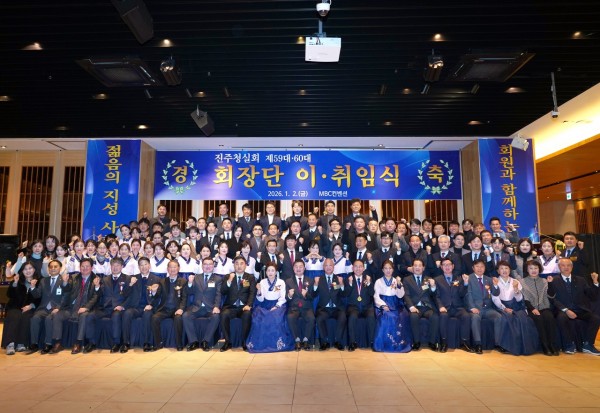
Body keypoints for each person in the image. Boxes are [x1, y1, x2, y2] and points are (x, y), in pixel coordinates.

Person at [548, 258, 600, 355]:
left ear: (572, 267)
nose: (566, 267)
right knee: (562, 318)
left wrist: (595, 282)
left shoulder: (581, 280)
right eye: (563, 265)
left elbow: (592, 296)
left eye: (568, 265)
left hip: (579, 309)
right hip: (562, 310)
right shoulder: (553, 280)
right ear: (559, 267)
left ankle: (588, 344)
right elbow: (552, 299)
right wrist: (566, 310)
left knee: (595, 318)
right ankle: (568, 345)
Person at [54, 258, 101, 354]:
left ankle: (78, 343)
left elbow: (96, 296)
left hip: (87, 308)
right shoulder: (74, 277)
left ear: (92, 268)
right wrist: (65, 283)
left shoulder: (96, 279)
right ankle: (58, 343)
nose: (85, 268)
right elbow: (67, 289)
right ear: (79, 267)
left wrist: (86, 307)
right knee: (57, 315)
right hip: (72, 307)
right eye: (82, 266)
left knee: (83, 316)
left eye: (87, 266)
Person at [491, 261, 538, 355]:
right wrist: (504, 308)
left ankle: (523, 346)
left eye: (506, 268)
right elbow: (495, 298)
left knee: (523, 318)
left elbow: (520, 299)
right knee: (507, 318)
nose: (504, 270)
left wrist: (516, 290)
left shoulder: (515, 281)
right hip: (500, 306)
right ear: (498, 271)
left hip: (515, 306)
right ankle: (505, 345)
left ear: (510, 270)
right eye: (501, 268)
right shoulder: (495, 281)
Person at [247, 262, 294, 353]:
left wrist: (276, 306)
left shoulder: (281, 282)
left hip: (278, 304)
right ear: (266, 272)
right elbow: (260, 299)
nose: (270, 272)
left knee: (276, 317)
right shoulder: (262, 282)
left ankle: (277, 344)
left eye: (272, 270)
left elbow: (283, 297)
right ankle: (261, 344)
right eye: (268, 270)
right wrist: (259, 291)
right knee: (259, 318)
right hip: (265, 304)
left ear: (276, 272)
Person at [28, 259, 70, 354]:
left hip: (57, 308)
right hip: (43, 308)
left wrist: (58, 308)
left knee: (49, 319)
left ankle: (48, 344)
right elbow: (37, 295)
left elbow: (66, 295)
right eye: (51, 267)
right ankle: (34, 343)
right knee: (35, 318)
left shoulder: (63, 280)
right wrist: (33, 287)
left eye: (55, 266)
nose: (53, 268)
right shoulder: (43, 280)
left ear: (60, 268)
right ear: (48, 269)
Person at [121, 257, 162, 353]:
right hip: (135, 307)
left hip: (148, 306)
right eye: (141, 265)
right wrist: (130, 284)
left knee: (147, 315)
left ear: (149, 266)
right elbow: (124, 294)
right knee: (127, 314)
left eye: (145, 264)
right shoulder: (133, 278)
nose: (143, 267)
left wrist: (151, 305)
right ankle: (126, 343)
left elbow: (159, 296)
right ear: (139, 267)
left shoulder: (156, 279)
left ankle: (147, 343)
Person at [433, 258, 473, 352]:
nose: (447, 267)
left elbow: (462, 294)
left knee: (466, 316)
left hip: (458, 307)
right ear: (441, 267)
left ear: (453, 266)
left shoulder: (459, 278)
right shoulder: (437, 279)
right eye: (444, 265)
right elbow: (436, 296)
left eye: (449, 264)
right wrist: (440, 306)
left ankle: (464, 342)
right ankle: (444, 342)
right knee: (443, 316)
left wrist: (465, 283)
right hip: (445, 307)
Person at [183, 257, 222, 351]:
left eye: (210, 264)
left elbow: (218, 294)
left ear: (213, 266)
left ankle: (206, 341)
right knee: (185, 316)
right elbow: (189, 292)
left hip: (210, 308)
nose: (207, 266)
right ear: (202, 266)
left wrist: (216, 306)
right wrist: (190, 283)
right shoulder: (196, 277)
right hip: (197, 307)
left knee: (216, 317)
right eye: (205, 264)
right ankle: (193, 341)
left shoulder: (218, 279)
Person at [521, 260, 559, 356]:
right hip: (530, 308)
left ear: (539, 269)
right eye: (531, 268)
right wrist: (532, 309)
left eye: (536, 268)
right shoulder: (522, 281)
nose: (533, 270)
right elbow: (525, 298)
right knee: (539, 319)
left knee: (549, 318)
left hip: (544, 307)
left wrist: (550, 283)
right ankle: (545, 345)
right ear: (527, 270)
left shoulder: (544, 281)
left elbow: (551, 296)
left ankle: (552, 345)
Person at [2, 261, 41, 354]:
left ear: (34, 270)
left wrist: (31, 306)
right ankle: (10, 344)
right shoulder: (17, 280)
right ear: (22, 271)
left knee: (26, 317)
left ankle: (21, 343)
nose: (28, 271)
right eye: (25, 269)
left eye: (30, 268)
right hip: (15, 306)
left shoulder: (39, 282)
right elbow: (9, 295)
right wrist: (15, 283)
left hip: (30, 307)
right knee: (14, 316)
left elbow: (40, 298)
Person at [373, 260, 412, 352]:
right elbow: (376, 296)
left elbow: (400, 295)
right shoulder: (378, 281)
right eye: (386, 268)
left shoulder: (396, 280)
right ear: (382, 270)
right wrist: (383, 305)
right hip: (383, 304)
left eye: (390, 268)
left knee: (403, 315)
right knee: (387, 316)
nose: (388, 270)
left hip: (395, 304)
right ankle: (385, 344)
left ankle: (400, 344)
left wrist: (398, 284)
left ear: (393, 270)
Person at [220, 256, 257, 351]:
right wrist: (229, 280)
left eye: (241, 263)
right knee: (224, 315)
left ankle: (244, 342)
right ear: (234, 265)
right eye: (236, 264)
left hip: (244, 307)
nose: (239, 266)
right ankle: (227, 342)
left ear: (245, 265)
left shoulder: (250, 277)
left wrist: (248, 305)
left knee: (247, 315)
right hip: (230, 307)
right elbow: (223, 291)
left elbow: (252, 292)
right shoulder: (227, 277)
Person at [402, 258, 440, 351]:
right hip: (415, 306)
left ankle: (432, 342)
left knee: (435, 317)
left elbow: (433, 294)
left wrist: (433, 287)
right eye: (415, 265)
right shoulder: (407, 279)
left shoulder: (428, 279)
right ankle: (416, 342)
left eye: (420, 266)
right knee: (413, 317)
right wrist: (411, 307)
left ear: (423, 268)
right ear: (412, 267)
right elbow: (406, 295)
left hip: (427, 307)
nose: (417, 267)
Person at [466, 259, 502, 354]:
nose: (479, 268)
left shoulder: (488, 279)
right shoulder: (469, 278)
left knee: (499, 317)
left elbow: (495, 293)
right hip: (475, 308)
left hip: (487, 309)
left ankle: (498, 344)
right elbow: (468, 294)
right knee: (475, 318)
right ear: (473, 268)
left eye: (482, 266)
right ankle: (478, 344)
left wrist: (496, 285)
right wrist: (472, 307)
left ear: (485, 268)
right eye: (477, 266)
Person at [151, 260, 187, 351]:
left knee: (178, 319)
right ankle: (158, 343)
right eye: (170, 267)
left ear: (178, 268)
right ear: (167, 269)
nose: (172, 269)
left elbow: (184, 298)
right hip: (164, 309)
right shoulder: (162, 281)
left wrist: (181, 309)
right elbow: (157, 296)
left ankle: (179, 344)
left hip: (176, 309)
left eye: (175, 267)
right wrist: (154, 292)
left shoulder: (183, 281)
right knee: (155, 318)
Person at [313, 259, 346, 350]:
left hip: (337, 308)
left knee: (343, 316)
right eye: (326, 265)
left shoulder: (338, 279)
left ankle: (337, 341)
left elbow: (343, 294)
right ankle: (324, 342)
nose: (328, 267)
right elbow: (313, 294)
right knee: (319, 318)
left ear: (333, 267)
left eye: (330, 265)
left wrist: (341, 284)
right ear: (323, 267)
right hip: (324, 308)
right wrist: (315, 284)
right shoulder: (319, 279)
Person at [342, 260, 375, 351]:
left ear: (363, 268)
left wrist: (369, 283)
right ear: (352, 268)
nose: (358, 268)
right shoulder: (348, 279)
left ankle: (372, 341)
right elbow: (345, 294)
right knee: (352, 317)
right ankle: (352, 342)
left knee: (371, 317)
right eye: (356, 266)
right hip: (353, 307)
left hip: (366, 306)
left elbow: (372, 293)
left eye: (360, 266)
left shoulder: (367, 278)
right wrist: (350, 284)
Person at [285, 260, 316, 350]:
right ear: (293, 268)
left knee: (311, 318)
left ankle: (306, 340)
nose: (298, 268)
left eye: (301, 266)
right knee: (290, 317)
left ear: (304, 268)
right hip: (294, 307)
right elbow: (286, 298)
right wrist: (289, 295)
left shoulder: (310, 280)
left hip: (306, 307)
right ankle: (297, 340)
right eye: (296, 266)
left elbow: (312, 297)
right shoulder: (288, 281)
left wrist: (306, 295)